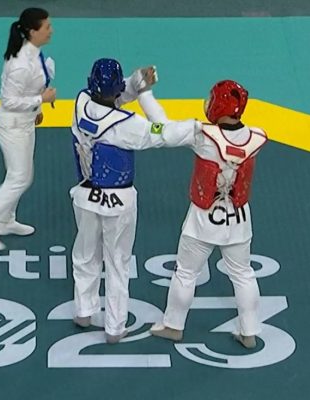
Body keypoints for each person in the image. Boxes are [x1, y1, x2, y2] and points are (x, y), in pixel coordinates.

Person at [70, 58, 202, 344]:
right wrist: (146, 94)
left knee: (85, 255)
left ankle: (83, 311)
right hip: (118, 202)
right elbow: (164, 131)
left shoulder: (81, 103)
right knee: (117, 263)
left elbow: (111, 99)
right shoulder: (130, 126)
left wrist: (135, 81)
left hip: (85, 197)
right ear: (117, 88)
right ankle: (114, 327)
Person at [149, 80, 267, 349]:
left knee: (186, 273)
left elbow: (164, 129)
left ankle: (173, 325)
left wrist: (145, 95)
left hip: (203, 219)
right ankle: (249, 331)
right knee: (243, 274)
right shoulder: (257, 138)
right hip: (238, 218)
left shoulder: (202, 136)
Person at [0, 7, 57, 251]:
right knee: (19, 177)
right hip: (12, 125)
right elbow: (8, 101)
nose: (51, 30)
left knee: (19, 175)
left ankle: (5, 221)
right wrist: (40, 101)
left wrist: (36, 110)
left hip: (25, 121)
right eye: (46, 27)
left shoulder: (34, 54)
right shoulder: (20, 65)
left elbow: (31, 89)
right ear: (32, 31)